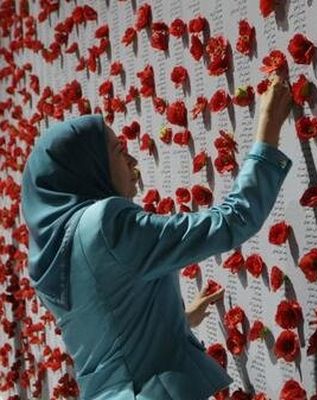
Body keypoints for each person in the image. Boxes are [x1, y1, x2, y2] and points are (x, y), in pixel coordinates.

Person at [21, 73, 293, 399]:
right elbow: (232, 221)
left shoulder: (49, 257)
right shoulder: (103, 225)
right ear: (89, 166)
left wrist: (173, 320)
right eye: (119, 150)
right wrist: (268, 130)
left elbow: (107, 323)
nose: (133, 160)